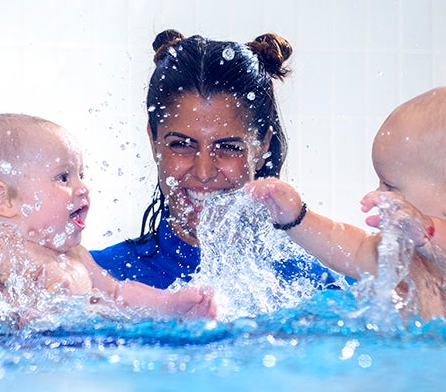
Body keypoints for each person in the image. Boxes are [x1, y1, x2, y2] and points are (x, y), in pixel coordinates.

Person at [249, 84, 446, 325]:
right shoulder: (412, 248)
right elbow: (356, 251)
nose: (380, 193)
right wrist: (297, 217)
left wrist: (426, 230)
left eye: (390, 186)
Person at [91, 30, 341, 290]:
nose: (204, 171)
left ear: (262, 146)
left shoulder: (311, 285)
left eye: (229, 147)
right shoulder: (97, 280)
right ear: (154, 142)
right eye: (181, 145)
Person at [0, 113, 215, 320]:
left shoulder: (75, 256)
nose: (82, 187)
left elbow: (118, 294)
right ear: (5, 200)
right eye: (63, 177)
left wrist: (171, 304)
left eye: (80, 175)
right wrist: (7, 320)